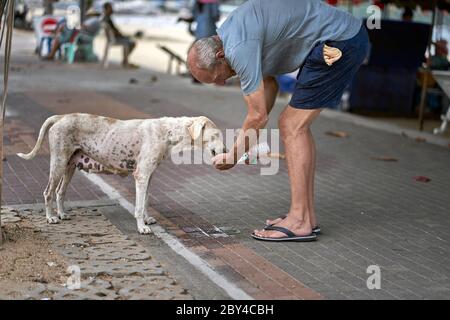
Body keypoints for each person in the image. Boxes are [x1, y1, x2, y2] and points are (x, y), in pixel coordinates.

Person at [187, 0, 370, 242]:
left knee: (292, 125)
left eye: (217, 78)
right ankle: (306, 216)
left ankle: (299, 221)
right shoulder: (233, 33)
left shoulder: (238, 47)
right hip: (339, 37)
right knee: (293, 125)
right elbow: (269, 85)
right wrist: (255, 129)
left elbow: (257, 116)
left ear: (220, 55)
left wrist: (233, 157)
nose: (221, 83)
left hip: (338, 42)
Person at [102, 2, 137, 68]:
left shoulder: (106, 18)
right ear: (106, 9)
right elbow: (114, 32)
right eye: (110, 8)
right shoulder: (107, 19)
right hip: (114, 39)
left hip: (113, 38)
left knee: (129, 40)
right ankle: (125, 61)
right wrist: (121, 35)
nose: (112, 9)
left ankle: (125, 60)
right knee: (131, 43)